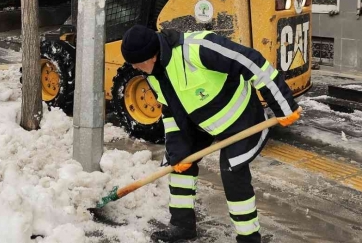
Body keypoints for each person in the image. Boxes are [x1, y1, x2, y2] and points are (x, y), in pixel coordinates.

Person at [120, 25, 301, 243]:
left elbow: (252, 61)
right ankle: (182, 225)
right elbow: (170, 112)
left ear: (153, 55)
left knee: (232, 171)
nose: (135, 67)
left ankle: (248, 238)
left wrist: (284, 105)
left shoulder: (198, 48)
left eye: (137, 63)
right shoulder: (153, 74)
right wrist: (177, 149)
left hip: (241, 119)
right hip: (200, 122)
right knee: (178, 163)